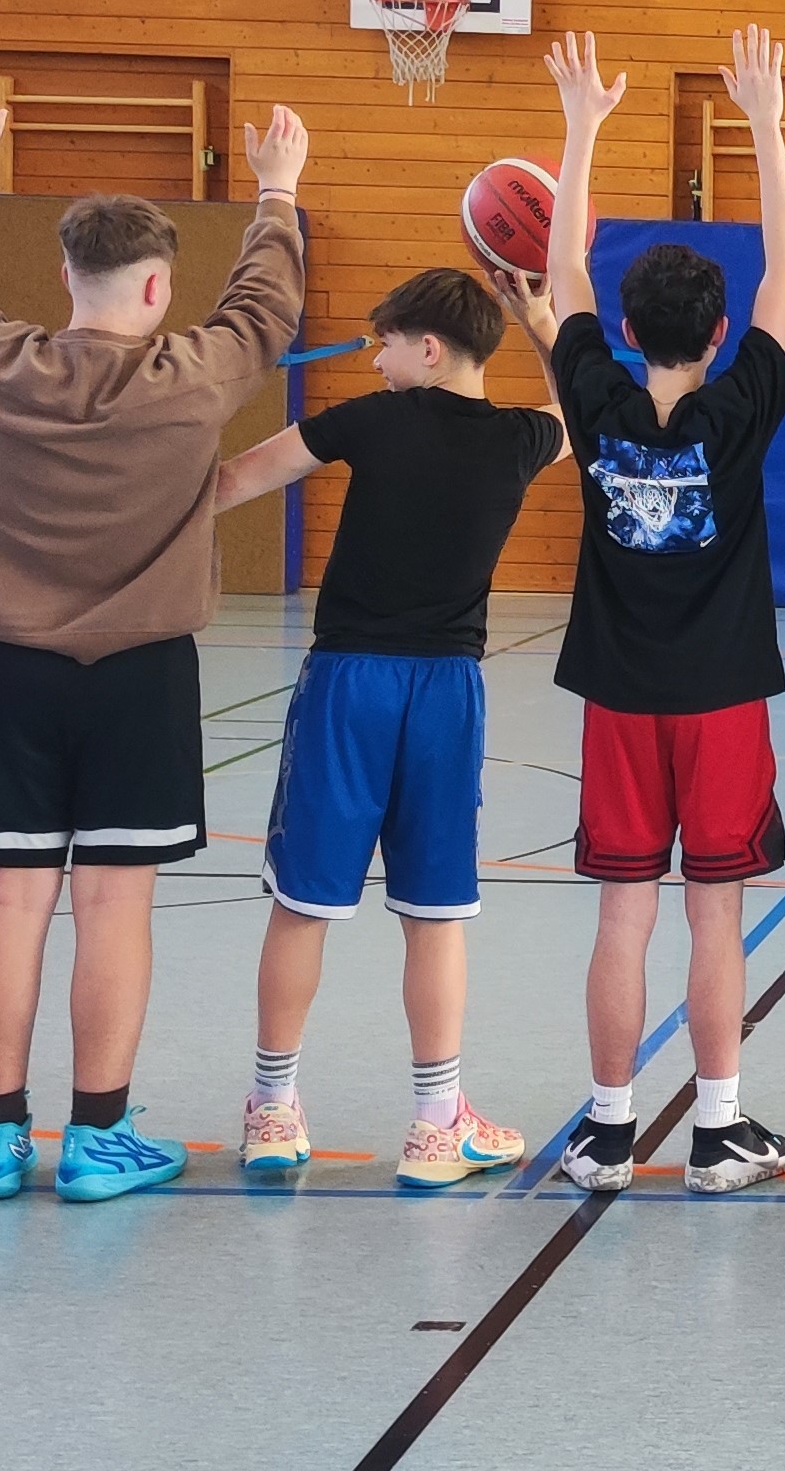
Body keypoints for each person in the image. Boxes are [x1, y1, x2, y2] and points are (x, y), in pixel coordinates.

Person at [0, 88, 308, 1202]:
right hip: (140, 681)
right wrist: (276, 191)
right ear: (157, 287)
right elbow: (266, 306)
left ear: (67, 277)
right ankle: (97, 1135)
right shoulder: (193, 378)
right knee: (115, 905)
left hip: (11, 675)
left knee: (7, 903)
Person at [529, 27, 785, 1197]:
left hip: (620, 697)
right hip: (722, 696)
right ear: (721, 332)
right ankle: (718, 1128)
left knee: (623, 918)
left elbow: (563, 275)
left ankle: (606, 1131)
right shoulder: (738, 408)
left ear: (629, 331)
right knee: (715, 917)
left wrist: (582, 126)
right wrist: (767, 123)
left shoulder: (593, 393)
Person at [209, 261, 557, 1190]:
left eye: (385, 343)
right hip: (447, 693)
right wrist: (540, 320)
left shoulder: (366, 421)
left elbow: (235, 480)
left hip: (347, 686)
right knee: (435, 917)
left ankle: (272, 1109)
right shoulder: (521, 438)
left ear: (429, 349)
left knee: (302, 904)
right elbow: (585, 411)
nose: (374, 359)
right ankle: (436, 1127)